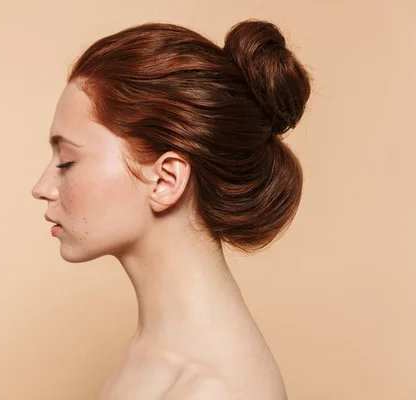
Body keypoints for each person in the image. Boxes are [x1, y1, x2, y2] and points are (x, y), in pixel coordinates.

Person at [31, 18, 312, 400]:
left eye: (66, 161)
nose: (42, 187)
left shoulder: (211, 390)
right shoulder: (154, 352)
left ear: (166, 180)